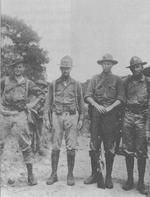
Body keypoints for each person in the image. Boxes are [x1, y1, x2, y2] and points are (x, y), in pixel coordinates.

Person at [0, 57, 45, 186]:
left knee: (25, 144)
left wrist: (32, 104)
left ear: (23, 68)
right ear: (12, 69)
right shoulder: (5, 81)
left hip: (20, 114)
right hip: (5, 114)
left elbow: (41, 94)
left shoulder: (28, 83)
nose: (17, 70)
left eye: (20, 67)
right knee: (0, 143)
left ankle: (30, 175)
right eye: (15, 67)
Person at [84, 54, 125, 189]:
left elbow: (121, 98)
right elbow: (88, 96)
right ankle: (95, 174)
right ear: (101, 64)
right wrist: (97, 105)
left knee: (109, 147)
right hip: (96, 114)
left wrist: (110, 107)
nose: (106, 66)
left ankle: (108, 177)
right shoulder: (95, 79)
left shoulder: (118, 80)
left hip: (110, 116)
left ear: (112, 65)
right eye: (104, 63)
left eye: (109, 64)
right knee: (94, 145)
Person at [44, 55, 84, 186]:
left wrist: (81, 119)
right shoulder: (54, 84)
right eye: (63, 68)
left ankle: (70, 174)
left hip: (72, 116)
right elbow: (48, 102)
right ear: (60, 69)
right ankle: (54, 174)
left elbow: (81, 102)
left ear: (71, 69)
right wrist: (47, 119)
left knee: (71, 146)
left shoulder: (77, 84)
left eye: (68, 68)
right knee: (55, 146)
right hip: (57, 115)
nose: (65, 70)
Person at [122, 56, 149, 195]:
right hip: (128, 116)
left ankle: (141, 183)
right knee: (128, 149)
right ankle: (130, 180)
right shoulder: (126, 81)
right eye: (133, 67)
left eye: (137, 66)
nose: (135, 69)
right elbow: (121, 98)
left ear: (142, 67)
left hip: (142, 118)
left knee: (142, 151)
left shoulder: (148, 82)